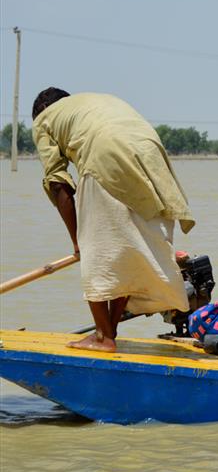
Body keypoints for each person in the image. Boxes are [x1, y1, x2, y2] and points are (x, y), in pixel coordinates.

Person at [31, 88, 195, 353]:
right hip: (150, 149)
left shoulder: (44, 119)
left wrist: (78, 241)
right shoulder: (89, 103)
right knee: (129, 247)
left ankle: (103, 338)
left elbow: (57, 183)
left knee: (96, 252)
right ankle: (109, 332)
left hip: (105, 151)